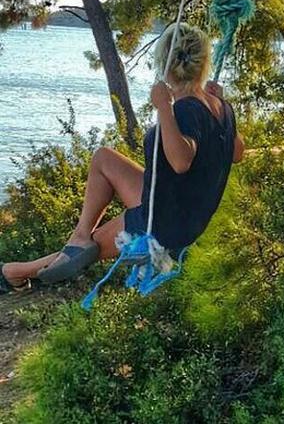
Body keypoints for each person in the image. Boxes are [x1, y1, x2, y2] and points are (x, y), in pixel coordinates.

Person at [0, 23, 244, 293]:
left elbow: (180, 161)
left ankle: (15, 272)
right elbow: (237, 153)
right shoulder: (220, 105)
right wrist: (224, 105)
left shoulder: (185, 109)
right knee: (103, 158)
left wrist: (164, 107)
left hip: (165, 224)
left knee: (90, 248)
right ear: (203, 62)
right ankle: (77, 237)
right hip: (180, 204)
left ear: (165, 63)